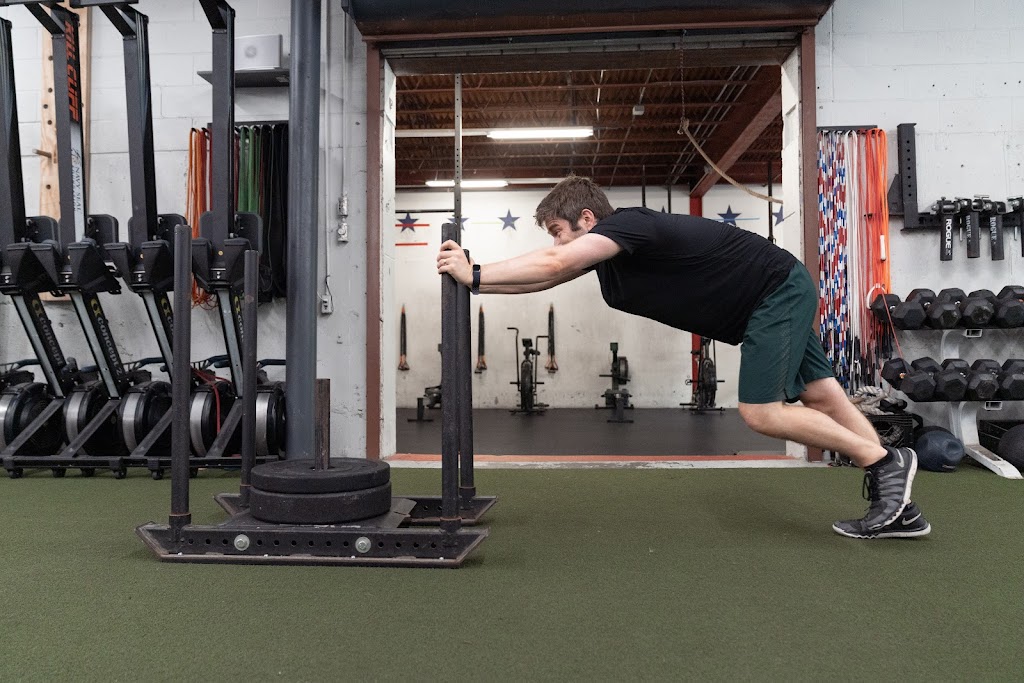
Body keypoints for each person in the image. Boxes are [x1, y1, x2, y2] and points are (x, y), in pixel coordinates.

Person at [436, 175, 929, 540]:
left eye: (558, 230)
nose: (557, 242)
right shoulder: (609, 261)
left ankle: (884, 461)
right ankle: (898, 507)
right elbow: (545, 276)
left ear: (587, 219)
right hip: (770, 297)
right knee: (821, 394)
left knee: (761, 413)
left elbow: (553, 261)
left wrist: (473, 270)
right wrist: (475, 284)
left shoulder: (629, 225)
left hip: (772, 291)